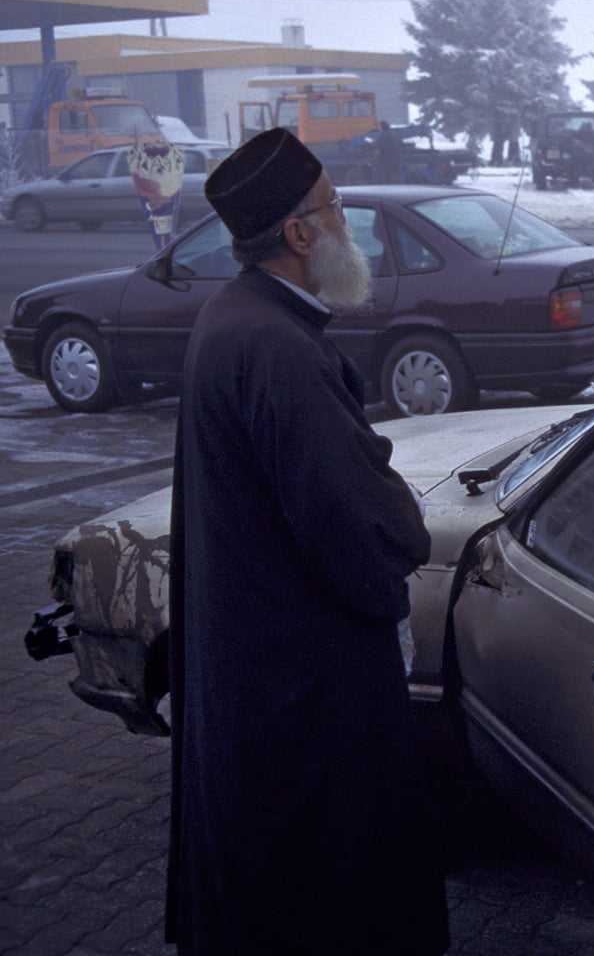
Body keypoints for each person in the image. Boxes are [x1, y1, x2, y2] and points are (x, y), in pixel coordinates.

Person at [166, 127, 448, 956]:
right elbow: (358, 525)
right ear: (297, 233)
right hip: (298, 679)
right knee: (324, 889)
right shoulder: (278, 346)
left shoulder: (237, 315)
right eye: (334, 207)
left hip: (255, 657)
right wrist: (400, 521)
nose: (345, 223)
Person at [375, 119, 405, 183]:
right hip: (398, 158)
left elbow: (380, 148)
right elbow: (402, 145)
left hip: (388, 159)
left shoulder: (383, 135)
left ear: (382, 127)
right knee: (395, 175)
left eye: (379, 126)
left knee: (387, 176)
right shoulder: (395, 134)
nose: (378, 128)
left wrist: (377, 158)